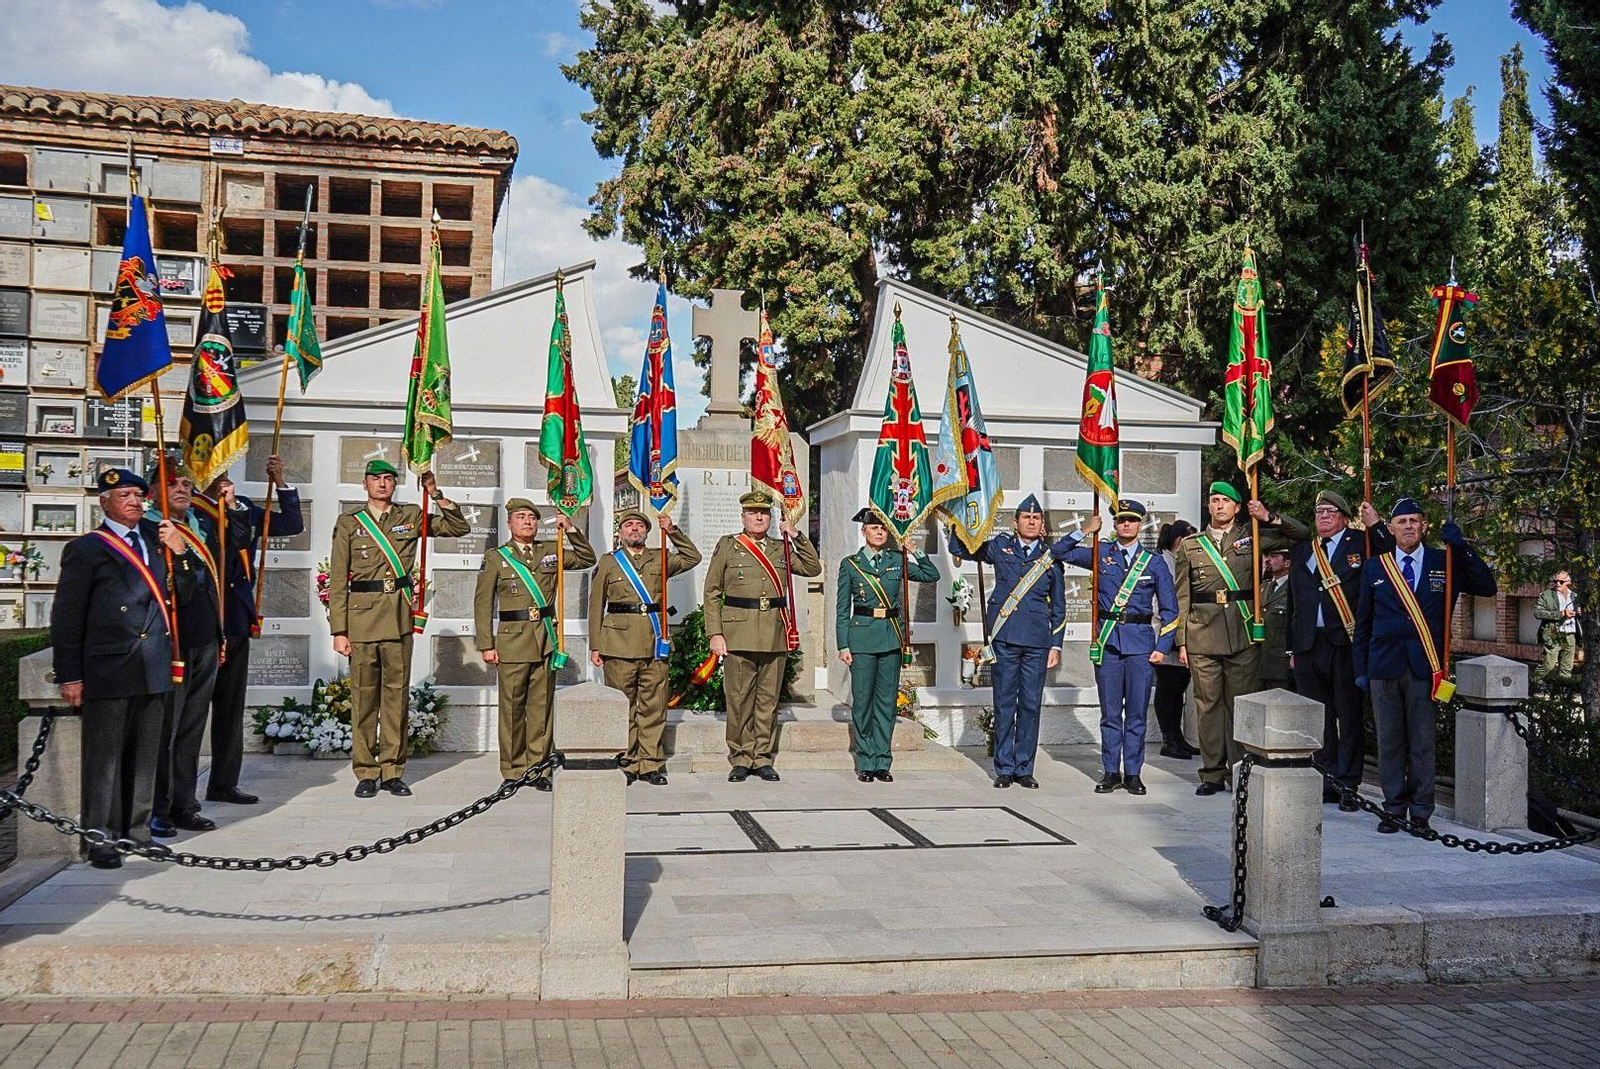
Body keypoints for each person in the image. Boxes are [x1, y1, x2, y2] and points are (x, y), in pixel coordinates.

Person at [50, 468, 199, 868]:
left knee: (146, 757)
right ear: (105, 502)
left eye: (138, 495)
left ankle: (137, 832)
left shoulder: (158, 540)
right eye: (124, 495)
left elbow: (184, 597)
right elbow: (67, 617)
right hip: (109, 666)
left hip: (153, 665)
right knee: (105, 760)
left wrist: (181, 553)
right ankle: (100, 837)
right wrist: (70, 675)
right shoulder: (87, 549)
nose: (134, 502)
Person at [1354, 497, 1497, 832]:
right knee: (1389, 743)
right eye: (1401, 522)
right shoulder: (1376, 567)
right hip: (1383, 667)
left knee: (1421, 745)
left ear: (1425, 525)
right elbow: (1363, 623)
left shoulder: (1443, 561)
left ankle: (1420, 814)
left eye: (1414, 521)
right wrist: (1360, 669)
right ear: (1390, 528)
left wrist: (1461, 547)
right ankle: (1393, 810)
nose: (1408, 527)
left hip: (1425, 669)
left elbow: (1487, 587)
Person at [328, 458, 469, 798]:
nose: (382, 484)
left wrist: (435, 494)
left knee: (396, 698)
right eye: (376, 479)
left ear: (395, 484)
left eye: (389, 479)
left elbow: (457, 528)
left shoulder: (410, 515)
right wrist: (339, 630)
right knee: (364, 700)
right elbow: (337, 579)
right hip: (361, 621)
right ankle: (365, 771)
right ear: (365, 484)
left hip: (398, 618)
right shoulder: (350, 523)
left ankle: (392, 770)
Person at [1173, 481, 1301, 796]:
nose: (1219, 506)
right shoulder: (1191, 545)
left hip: (1244, 634)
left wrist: (1269, 516)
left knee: (1241, 705)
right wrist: (1182, 641)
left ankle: (1240, 770)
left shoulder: (1254, 537)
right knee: (1208, 706)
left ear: (1237, 507)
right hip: (1202, 633)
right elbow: (1182, 596)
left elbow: (1300, 535)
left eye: (1225, 501)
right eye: (1214, 500)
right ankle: (1212, 773)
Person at [146, 454, 248, 838]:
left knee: (191, 728)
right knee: (166, 732)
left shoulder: (200, 525)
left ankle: (184, 803)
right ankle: (157, 808)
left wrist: (232, 502)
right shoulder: (148, 529)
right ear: (154, 491)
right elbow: (179, 588)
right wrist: (178, 549)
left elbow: (239, 540)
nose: (184, 489)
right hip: (172, 644)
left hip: (207, 639)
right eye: (174, 484)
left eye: (187, 484)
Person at [195, 454, 303, 808]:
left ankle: (224, 783)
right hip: (202, 622)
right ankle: (177, 794)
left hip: (237, 619)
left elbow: (290, 523)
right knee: (190, 714)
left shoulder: (241, 507)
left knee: (230, 708)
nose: (220, 478)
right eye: (213, 472)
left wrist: (281, 481)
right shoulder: (190, 514)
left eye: (223, 472)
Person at [1056, 499, 1177, 796]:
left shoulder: (1154, 561)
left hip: (1140, 645)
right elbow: (1058, 552)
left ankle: (1133, 773)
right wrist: (1085, 530)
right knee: (1110, 714)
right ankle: (1111, 771)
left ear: (1139, 525)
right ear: (1114, 524)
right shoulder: (1101, 553)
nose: (1126, 525)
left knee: (1136, 714)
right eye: (1121, 520)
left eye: (1132, 520)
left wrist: (1163, 645)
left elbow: (1171, 610)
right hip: (1108, 644)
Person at [475, 499, 596, 790]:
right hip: (512, 641)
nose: (527, 522)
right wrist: (486, 644)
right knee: (512, 709)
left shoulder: (549, 550)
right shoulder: (496, 557)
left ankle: (539, 769)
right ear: (510, 523)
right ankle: (513, 770)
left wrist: (570, 530)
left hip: (544, 639)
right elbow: (482, 603)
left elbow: (586, 558)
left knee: (541, 708)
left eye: (531, 517)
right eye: (521, 517)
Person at [1283, 491, 1393, 811]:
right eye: (1319, 512)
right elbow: (1295, 600)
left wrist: (1376, 526)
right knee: (1321, 717)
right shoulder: (1304, 549)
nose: (1324, 517)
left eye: (1331, 511)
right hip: (1308, 644)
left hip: (1346, 642)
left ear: (1344, 516)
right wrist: (1291, 646)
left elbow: (1390, 554)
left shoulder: (1362, 543)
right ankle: (1326, 777)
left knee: (1349, 715)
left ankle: (1349, 783)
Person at [703, 489, 822, 782]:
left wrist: (795, 535)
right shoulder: (729, 546)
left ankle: (762, 757)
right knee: (739, 699)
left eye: (764, 513)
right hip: (738, 632)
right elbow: (712, 592)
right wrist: (715, 633)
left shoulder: (780, 547)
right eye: (753, 512)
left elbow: (811, 567)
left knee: (767, 700)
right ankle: (741, 757)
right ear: (742, 516)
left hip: (773, 632)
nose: (759, 517)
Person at [949, 494, 1064, 789]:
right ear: (1015, 523)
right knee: (1004, 703)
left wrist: (1056, 644)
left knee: (1030, 705)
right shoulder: (1001, 547)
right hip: (1005, 637)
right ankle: (1004, 766)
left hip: (1037, 641)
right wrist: (957, 522)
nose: (1031, 521)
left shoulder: (1050, 558)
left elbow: (1059, 607)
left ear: (1042, 526)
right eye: (1026, 517)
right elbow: (964, 548)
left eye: (1036, 518)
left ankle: (1024, 767)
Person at [588, 508, 699, 785]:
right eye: (628, 525)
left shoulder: (661, 557)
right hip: (618, 644)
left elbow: (692, 558)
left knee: (653, 705)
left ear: (647, 531)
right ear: (620, 532)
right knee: (622, 706)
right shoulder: (610, 562)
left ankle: (649, 763)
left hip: (653, 641)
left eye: (639, 525)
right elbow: (595, 605)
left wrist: (672, 531)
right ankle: (626, 760)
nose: (634, 529)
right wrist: (595, 645)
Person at [836, 507, 940, 782]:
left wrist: (914, 549)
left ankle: (882, 761)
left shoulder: (897, 559)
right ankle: (865, 759)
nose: (879, 532)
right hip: (862, 638)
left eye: (883, 528)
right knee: (862, 703)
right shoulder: (851, 564)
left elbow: (931, 575)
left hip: (891, 638)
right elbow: (842, 609)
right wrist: (843, 645)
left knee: (885, 703)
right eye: (874, 528)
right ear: (864, 531)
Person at [1153, 520, 1199, 759]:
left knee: (1180, 687)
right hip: (1165, 632)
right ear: (1179, 540)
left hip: (1185, 633)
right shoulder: (1162, 560)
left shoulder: (1181, 561)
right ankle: (1168, 738)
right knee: (1168, 687)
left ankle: (1177, 736)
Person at [1534, 570, 1581, 688]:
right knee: (1548, 664)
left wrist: (1580, 612)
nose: (1558, 584)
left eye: (1561, 581)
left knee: (1566, 667)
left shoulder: (1575, 596)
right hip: (1553, 634)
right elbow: (1538, 613)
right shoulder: (1547, 595)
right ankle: (1533, 683)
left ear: (1568, 582)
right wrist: (1561, 614)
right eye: (1555, 581)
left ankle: (1563, 691)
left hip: (1570, 634)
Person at [1259, 547, 1294, 692]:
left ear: (1287, 563)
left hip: (1281, 665)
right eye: (1267, 556)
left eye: (1273, 556)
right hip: (1260, 663)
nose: (1268, 560)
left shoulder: (1293, 589)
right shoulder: (1263, 586)